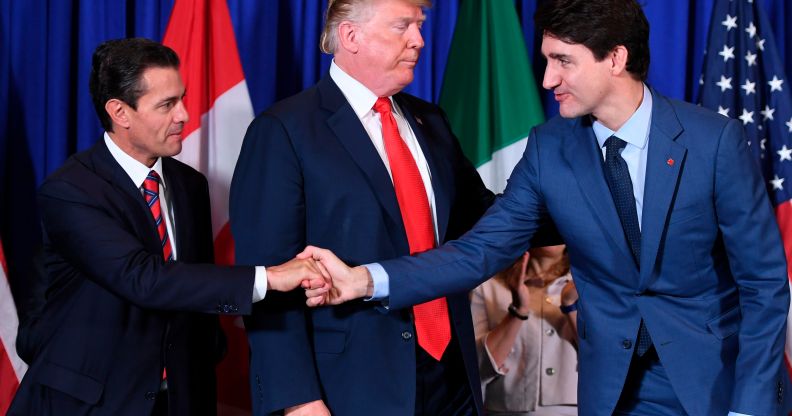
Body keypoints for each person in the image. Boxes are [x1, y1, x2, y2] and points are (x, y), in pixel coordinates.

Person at [300, 0, 791, 415]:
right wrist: (365, 280)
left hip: (716, 383)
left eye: (563, 61)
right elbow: (480, 251)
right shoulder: (548, 148)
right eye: (546, 60)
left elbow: (764, 285)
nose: (548, 78)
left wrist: (748, 405)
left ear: (615, 58)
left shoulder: (713, 142)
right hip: (613, 389)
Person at [7, 38, 325, 416]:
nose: (185, 115)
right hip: (90, 403)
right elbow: (143, 279)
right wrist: (269, 278)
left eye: (182, 98)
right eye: (167, 105)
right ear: (120, 112)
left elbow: (196, 288)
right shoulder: (71, 191)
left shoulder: (190, 184)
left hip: (178, 398)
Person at [229, 0, 496, 414]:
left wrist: (574, 198)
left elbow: (486, 221)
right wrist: (297, 400)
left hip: (452, 377)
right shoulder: (284, 130)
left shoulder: (432, 121)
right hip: (352, 386)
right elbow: (267, 279)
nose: (419, 40)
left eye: (420, 26)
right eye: (402, 26)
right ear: (351, 36)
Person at [471, 246, 578, 415]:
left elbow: (607, 359)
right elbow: (475, 367)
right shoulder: (487, 285)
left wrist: (570, 305)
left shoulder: (587, 283)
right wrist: (517, 311)